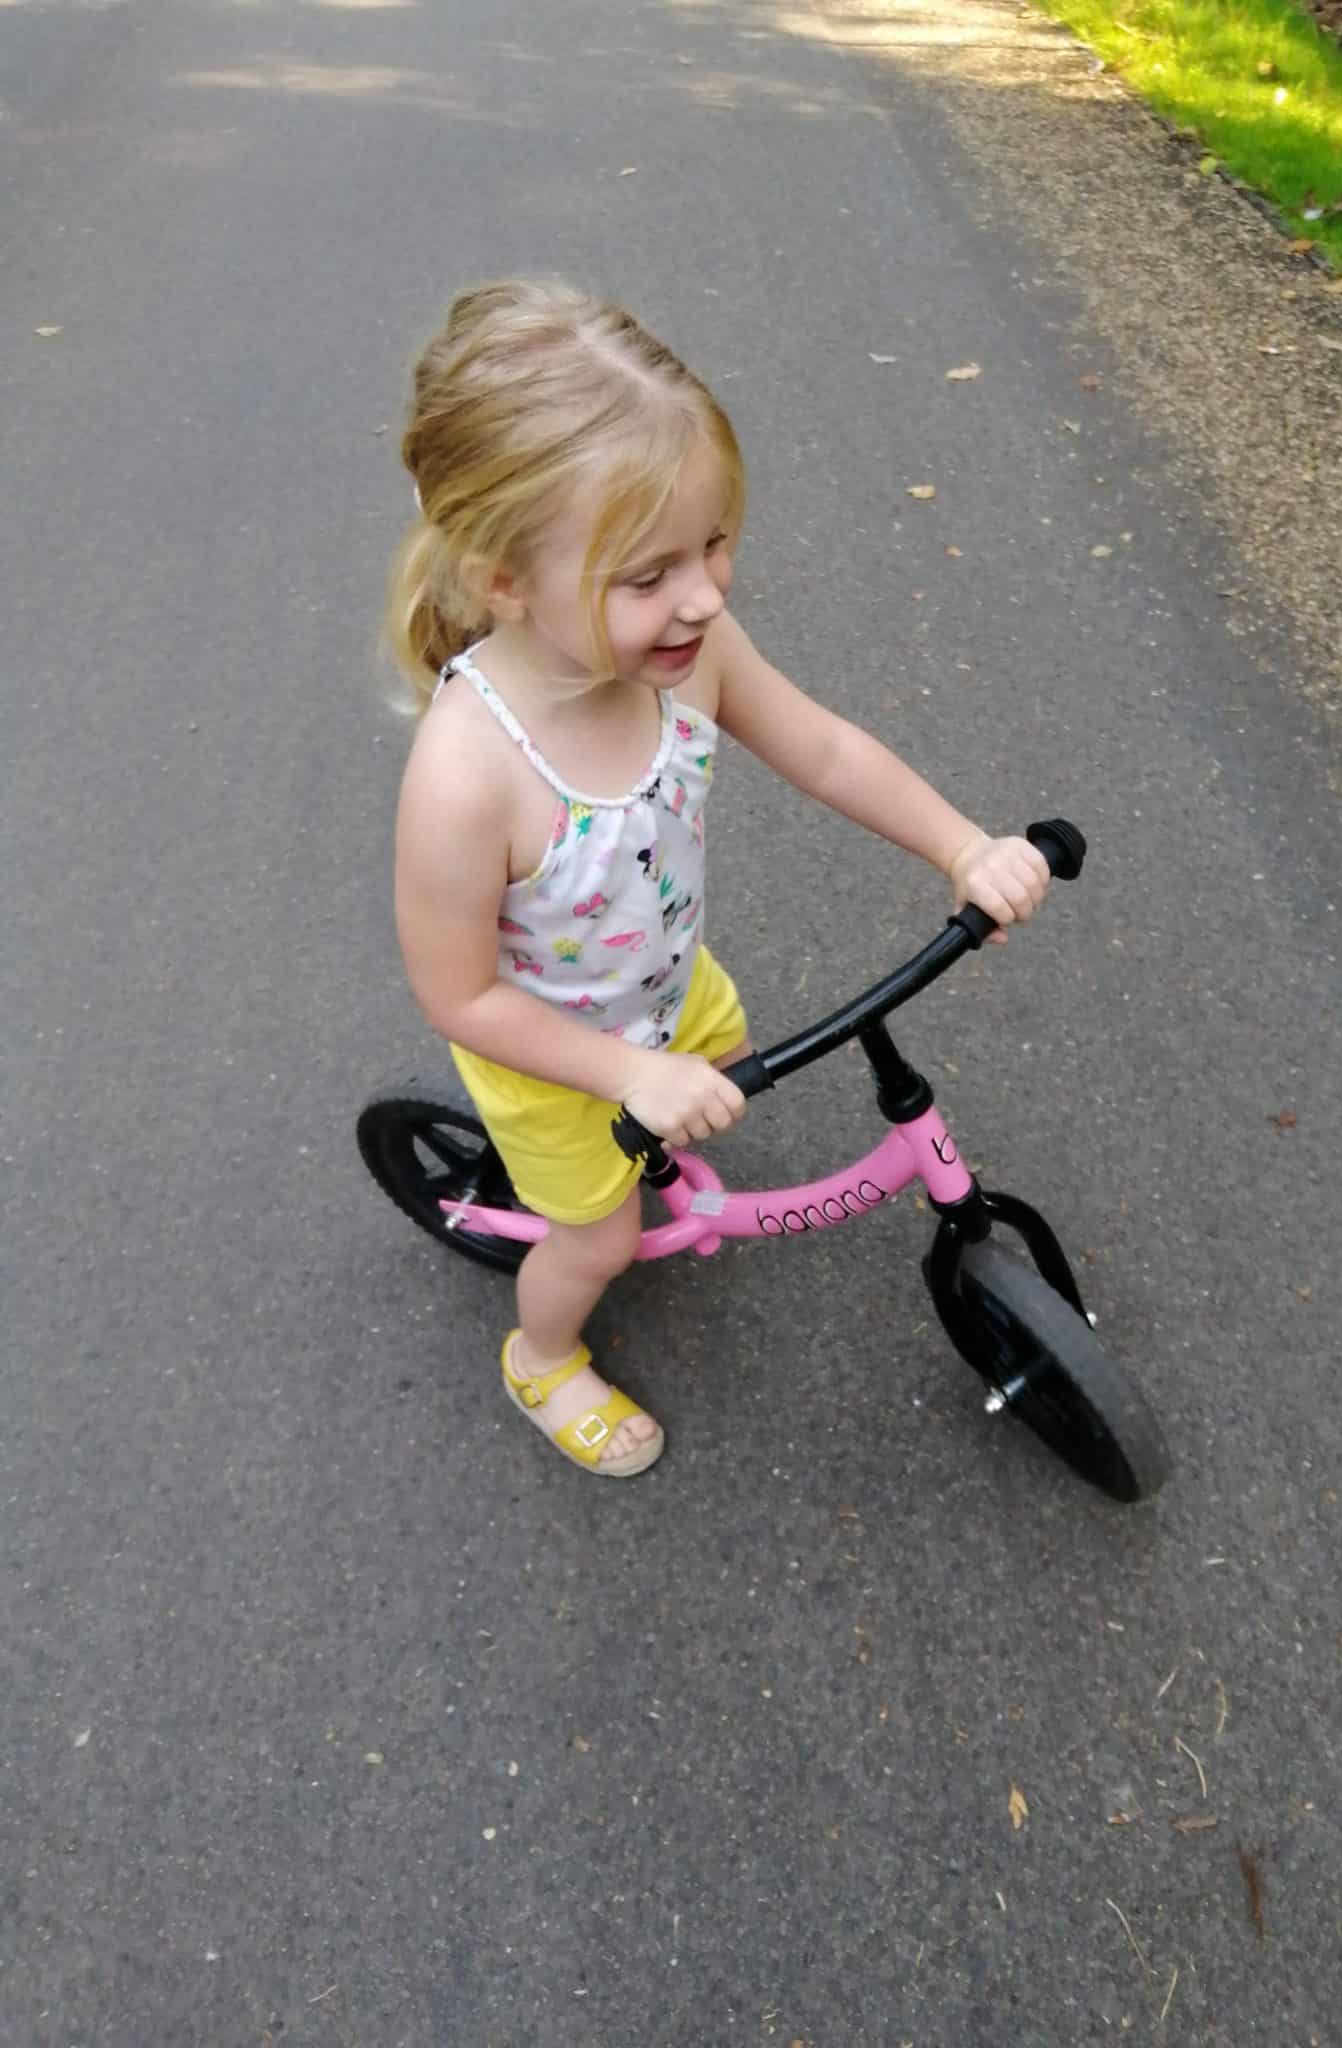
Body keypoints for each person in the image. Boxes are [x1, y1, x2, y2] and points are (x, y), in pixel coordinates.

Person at [387, 280, 1051, 1479]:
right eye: (648, 575)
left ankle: (660, 1119)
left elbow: (829, 750)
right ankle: (541, 1357)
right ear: (501, 579)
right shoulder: (467, 776)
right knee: (598, 1237)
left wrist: (962, 844)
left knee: (724, 1050)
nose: (705, 593)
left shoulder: (689, 658)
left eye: (714, 542)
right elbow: (461, 995)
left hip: (672, 990)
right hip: (559, 1057)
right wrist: (628, 1071)